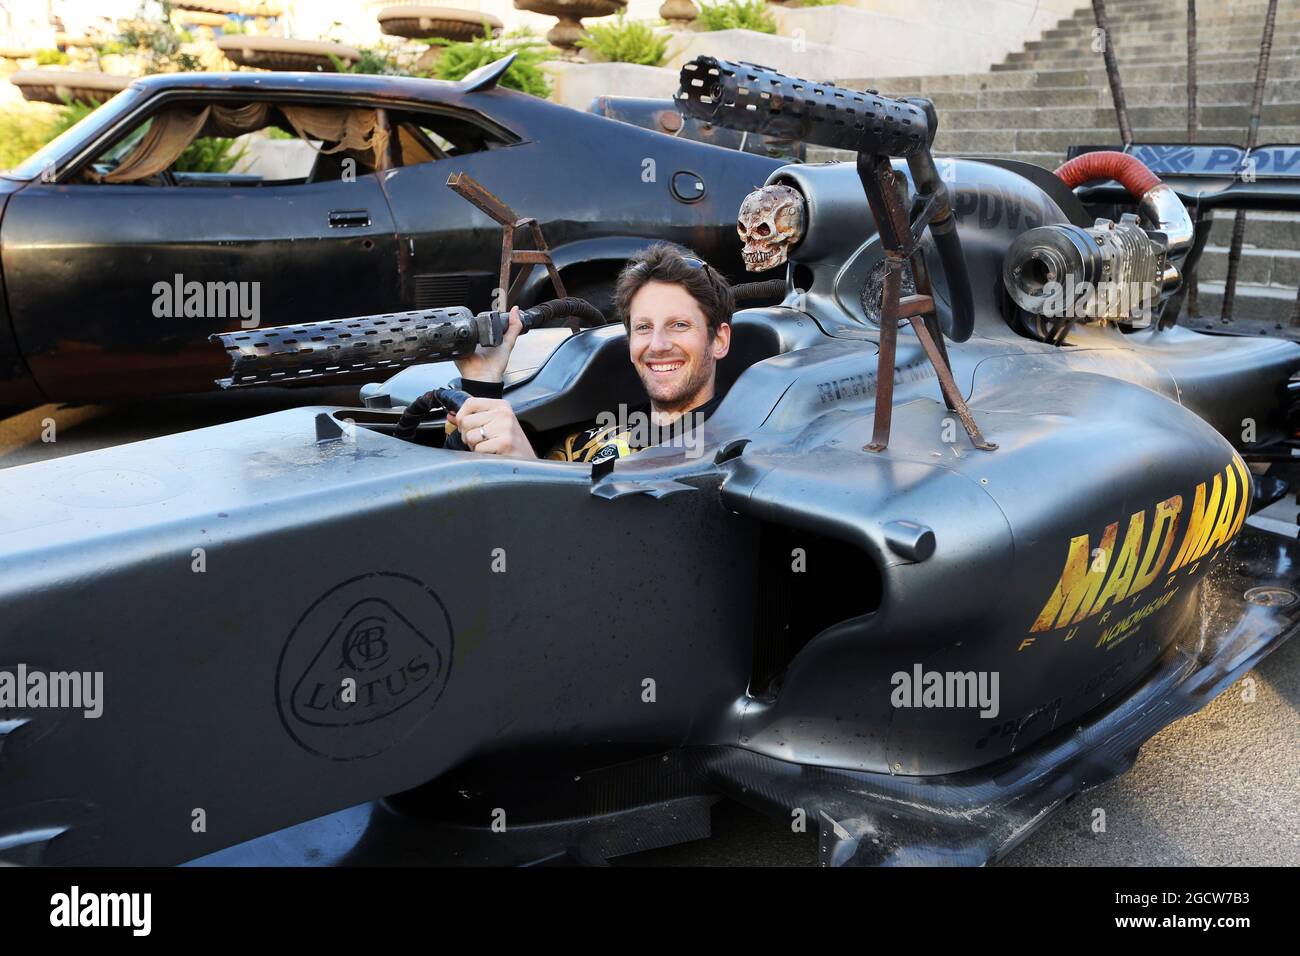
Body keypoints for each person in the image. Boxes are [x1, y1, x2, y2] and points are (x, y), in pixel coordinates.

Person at [449, 243, 734, 462]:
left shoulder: (739, 451)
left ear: (719, 340)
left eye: (679, 325)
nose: (658, 345)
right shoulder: (586, 444)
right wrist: (482, 384)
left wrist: (529, 470)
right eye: (644, 327)